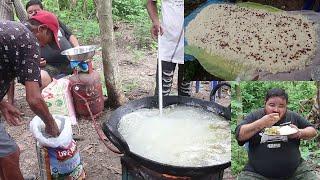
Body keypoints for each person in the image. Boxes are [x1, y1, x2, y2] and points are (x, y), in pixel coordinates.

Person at [0, 11, 61, 179]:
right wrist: (51, 124)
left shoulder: (11, 30)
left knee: (3, 154)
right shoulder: (29, 40)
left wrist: (3, 103)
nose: (43, 47)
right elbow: (34, 99)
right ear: (42, 29)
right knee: (10, 153)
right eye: (48, 41)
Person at [235, 88, 317, 180]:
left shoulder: (292, 116)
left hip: (295, 171)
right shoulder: (256, 116)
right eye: (271, 105)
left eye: (281, 106)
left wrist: (299, 133)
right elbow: (239, 135)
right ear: (265, 103)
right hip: (256, 173)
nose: (276, 110)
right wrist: (261, 123)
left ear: (286, 106)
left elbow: (313, 130)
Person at [147, 0, 191, 96]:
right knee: (162, 92)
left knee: (186, 93)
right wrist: (155, 22)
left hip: (191, 44)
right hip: (168, 41)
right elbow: (151, 2)